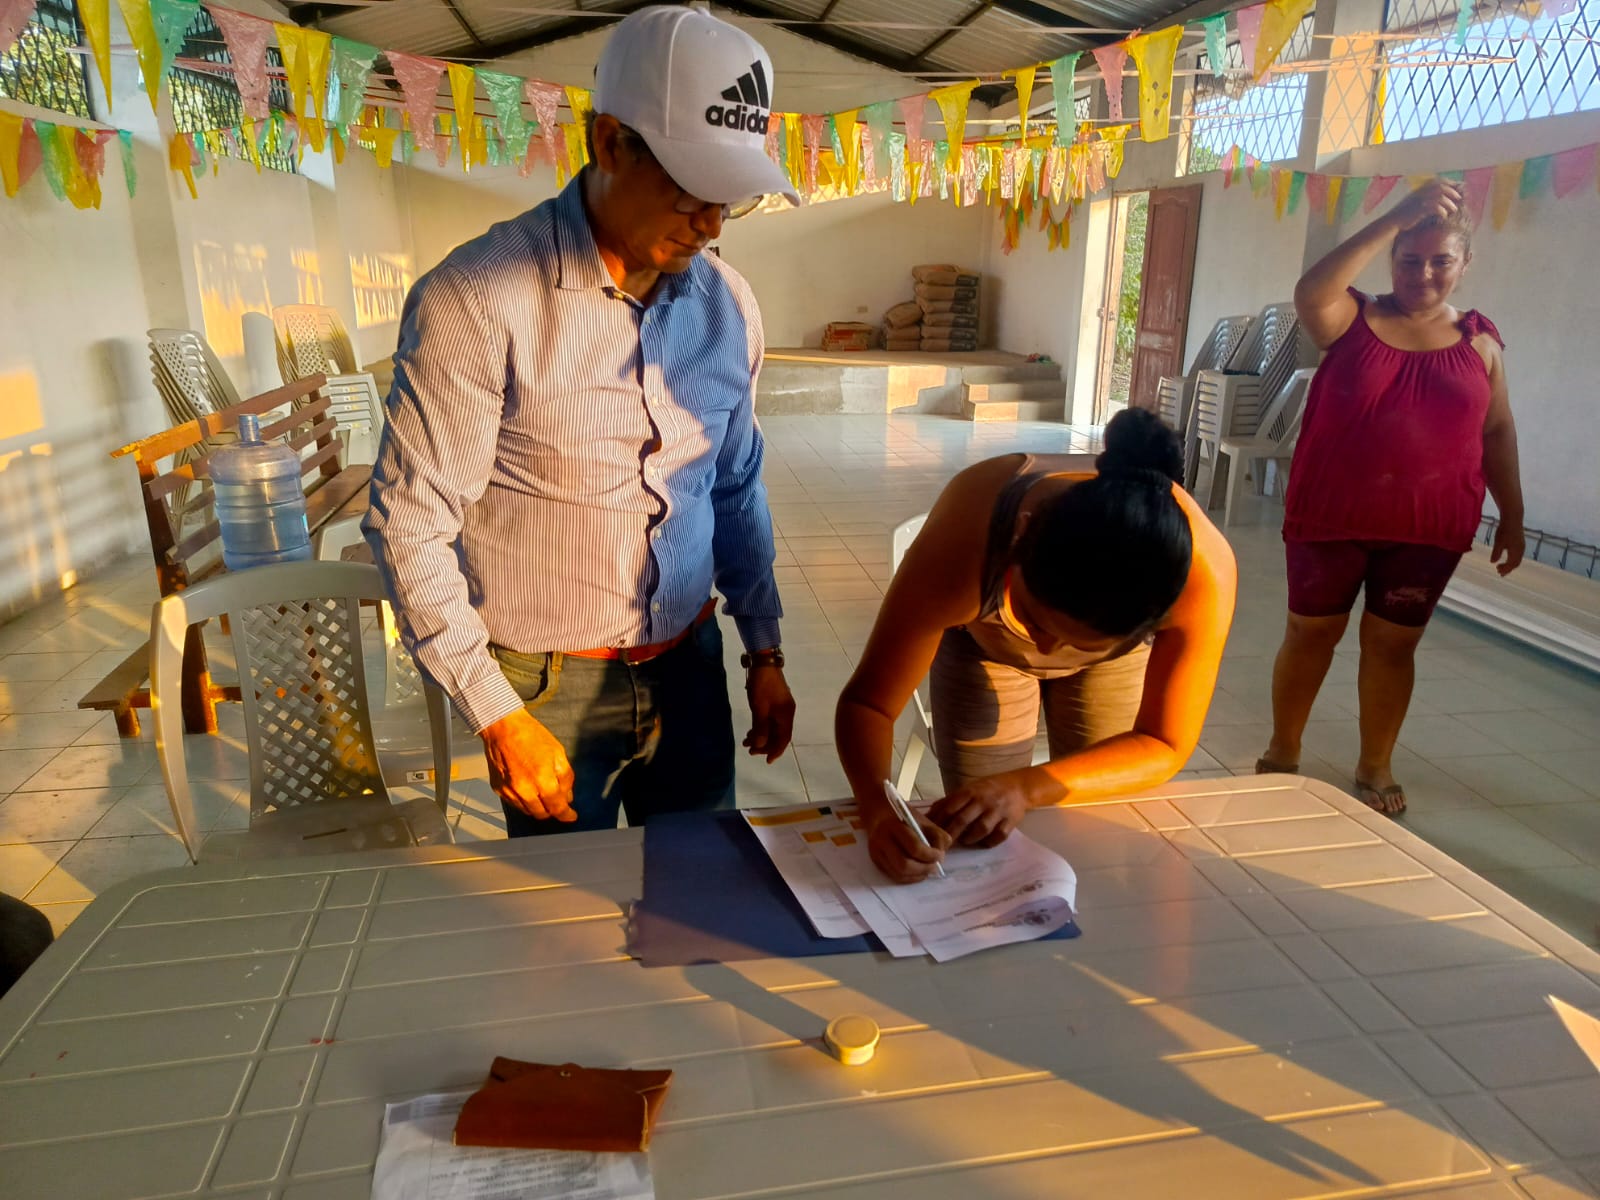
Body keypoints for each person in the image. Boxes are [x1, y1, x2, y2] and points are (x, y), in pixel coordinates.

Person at [365, 6, 801, 837]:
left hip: (690, 666)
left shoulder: (728, 305)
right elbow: (409, 524)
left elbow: (735, 484)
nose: (712, 224)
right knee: (566, 906)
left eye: (731, 200)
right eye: (692, 190)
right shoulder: (478, 299)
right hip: (545, 689)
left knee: (699, 885)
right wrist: (496, 713)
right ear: (609, 143)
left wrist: (764, 648)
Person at [836, 409, 1238, 883]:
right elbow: (869, 704)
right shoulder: (969, 542)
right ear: (1021, 536)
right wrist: (878, 811)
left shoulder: (1201, 575)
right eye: (1033, 619)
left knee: (1098, 831)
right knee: (979, 830)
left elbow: (1163, 743)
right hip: (985, 647)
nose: (1046, 650)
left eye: (1078, 642)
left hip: (1113, 664)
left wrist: (1026, 787)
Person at [1257, 177, 1525, 815]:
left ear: (1465, 263)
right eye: (1408, 259)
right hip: (1332, 518)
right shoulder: (1351, 317)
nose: (1423, 274)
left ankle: (1375, 763)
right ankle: (1283, 749)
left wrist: (1513, 514)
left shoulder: (1481, 344)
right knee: (1310, 634)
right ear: (1390, 259)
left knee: (1393, 646)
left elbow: (1497, 431)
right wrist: (1394, 217)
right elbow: (1309, 292)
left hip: (1427, 529)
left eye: (1440, 261)